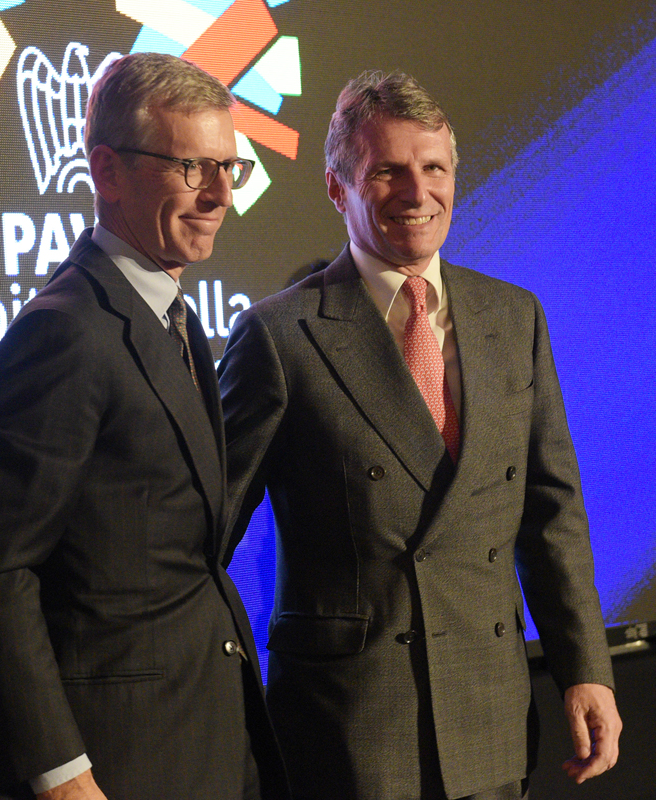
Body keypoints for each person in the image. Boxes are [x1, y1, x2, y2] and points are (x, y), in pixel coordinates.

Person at [218, 71, 621, 800]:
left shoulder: (514, 318)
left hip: (491, 715)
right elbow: (205, 536)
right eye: (387, 172)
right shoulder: (279, 335)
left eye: (434, 168)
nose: (417, 192)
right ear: (338, 188)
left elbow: (552, 515)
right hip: (348, 725)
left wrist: (585, 670)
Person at [0, 53, 288, 800]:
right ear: (107, 171)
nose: (220, 194)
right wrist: (59, 772)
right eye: (192, 167)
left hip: (210, 742)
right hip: (119, 766)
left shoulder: (174, 315)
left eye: (230, 168)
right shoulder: (65, 331)